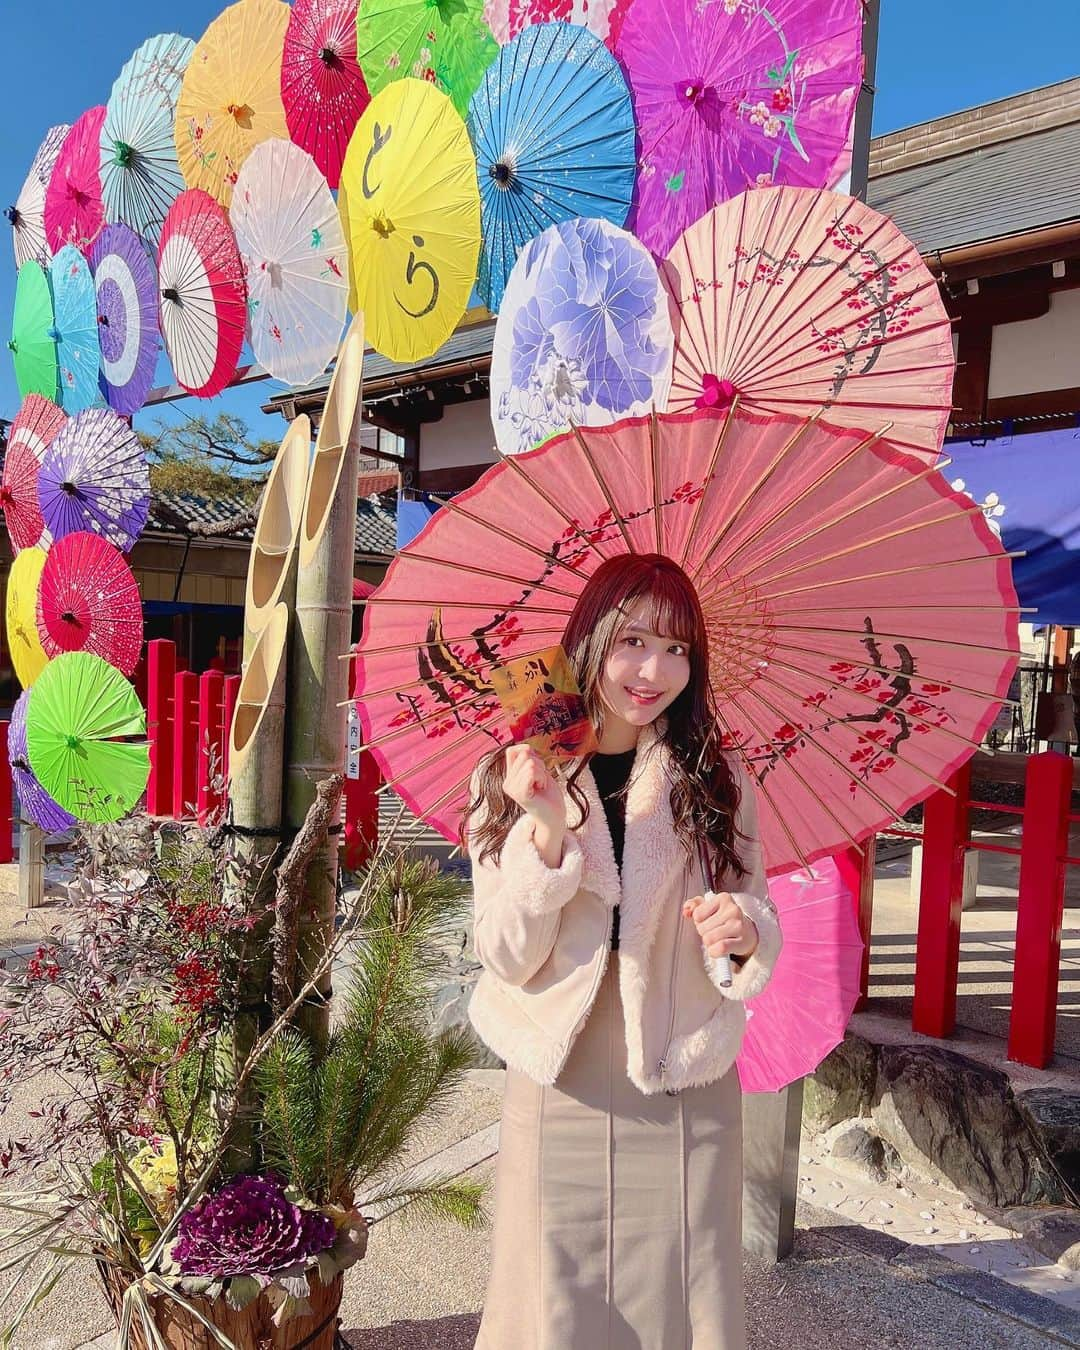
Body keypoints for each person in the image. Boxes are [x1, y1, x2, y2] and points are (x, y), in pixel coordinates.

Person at [462, 553, 783, 1350]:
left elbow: (756, 915)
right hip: (561, 1076)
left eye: (678, 649)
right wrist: (542, 827)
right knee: (552, 1303)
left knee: (686, 1299)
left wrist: (742, 936)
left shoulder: (714, 775)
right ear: (591, 639)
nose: (654, 670)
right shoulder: (511, 773)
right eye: (633, 641)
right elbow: (505, 956)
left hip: (681, 1075)